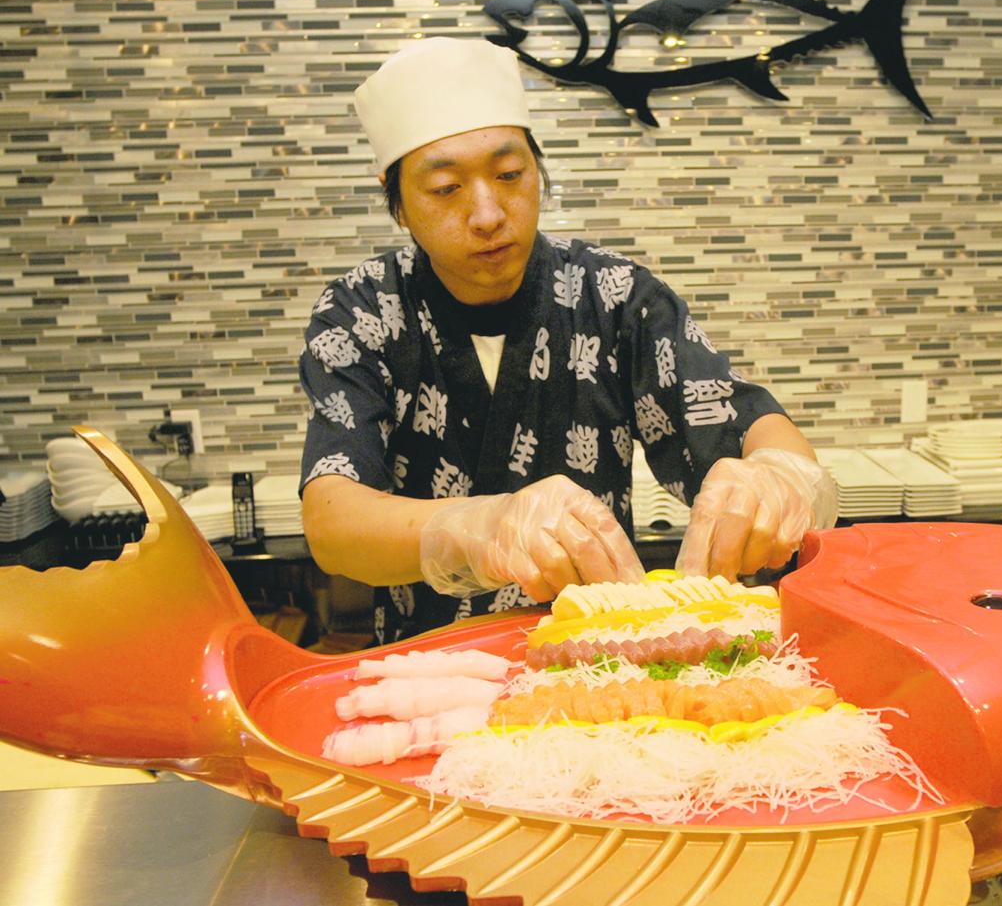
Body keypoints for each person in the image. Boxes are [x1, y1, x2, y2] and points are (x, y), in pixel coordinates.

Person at [298, 37, 836, 644]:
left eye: (509, 175)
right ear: (397, 202)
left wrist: (778, 477)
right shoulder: (361, 311)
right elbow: (333, 522)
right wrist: (482, 526)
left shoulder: (615, 296)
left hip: (601, 657)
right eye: (446, 188)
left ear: (538, 170)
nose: (487, 214)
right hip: (431, 665)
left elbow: (748, 423)